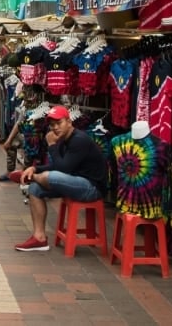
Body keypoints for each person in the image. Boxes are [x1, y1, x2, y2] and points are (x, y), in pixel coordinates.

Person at [14, 105, 108, 252]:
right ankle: (39, 238)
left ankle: (32, 178)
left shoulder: (79, 139)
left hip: (92, 188)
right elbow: (56, 165)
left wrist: (51, 145)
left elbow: (62, 169)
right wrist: (35, 168)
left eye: (59, 123)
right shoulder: (64, 140)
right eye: (52, 125)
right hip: (74, 181)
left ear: (69, 122)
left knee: (51, 177)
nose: (55, 128)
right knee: (35, 189)